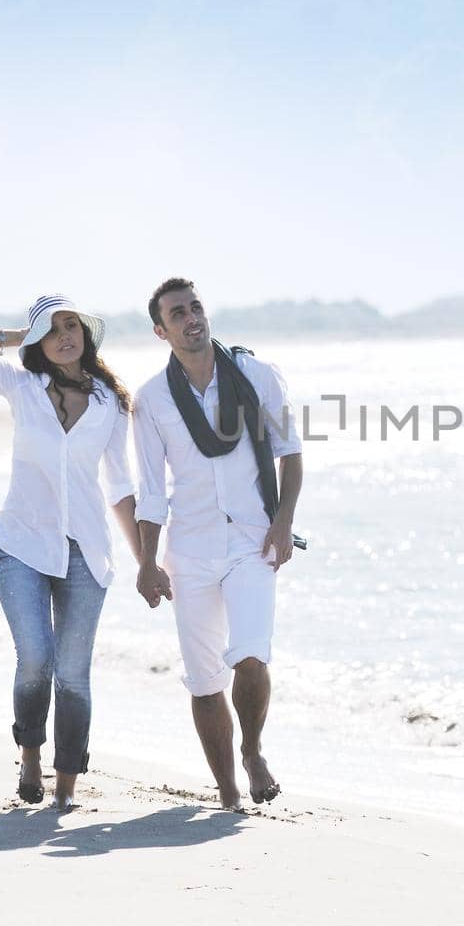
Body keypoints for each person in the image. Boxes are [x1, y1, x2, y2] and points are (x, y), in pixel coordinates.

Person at [0, 295, 139, 810]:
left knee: (73, 674)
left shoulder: (110, 403)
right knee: (35, 660)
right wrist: (16, 334)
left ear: (85, 334)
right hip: (21, 545)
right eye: (51, 331)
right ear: (37, 343)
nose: (65, 336)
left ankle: (67, 785)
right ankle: (30, 755)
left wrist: (146, 562)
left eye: (71, 326)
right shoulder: (21, 386)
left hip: (86, 551)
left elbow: (120, 486)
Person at [132, 277, 303, 810]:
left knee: (251, 655)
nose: (191, 318)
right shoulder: (152, 399)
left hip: (253, 540)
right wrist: (146, 562)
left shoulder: (256, 375)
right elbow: (151, 492)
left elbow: (290, 453)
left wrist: (282, 522)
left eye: (196, 307)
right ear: (162, 330)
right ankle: (227, 789)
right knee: (205, 680)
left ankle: (252, 752)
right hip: (190, 549)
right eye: (177, 313)